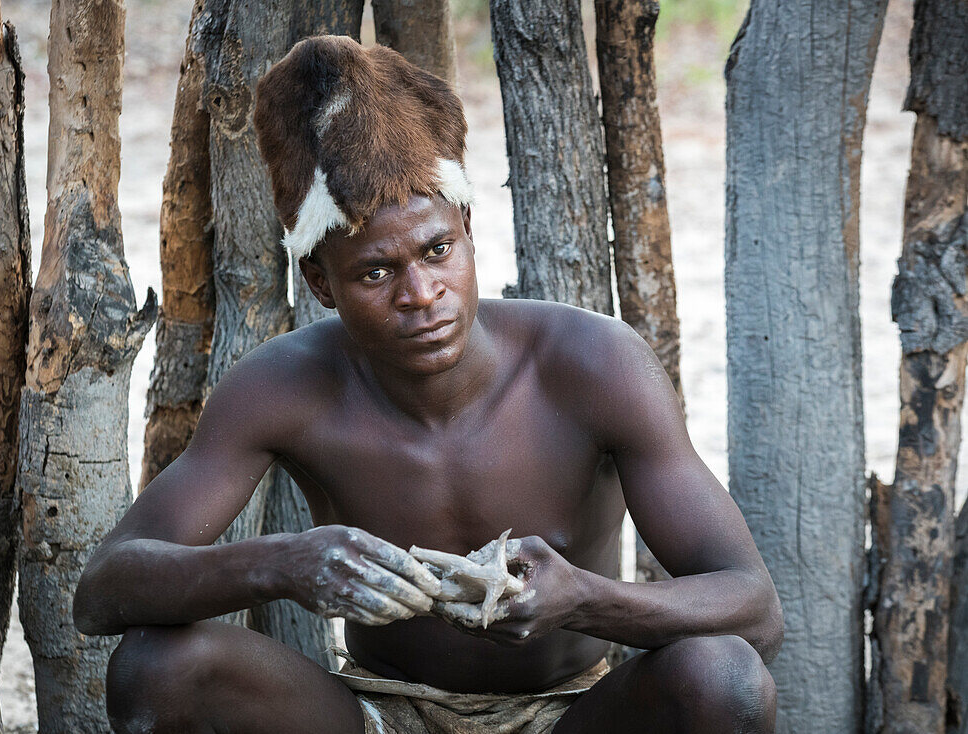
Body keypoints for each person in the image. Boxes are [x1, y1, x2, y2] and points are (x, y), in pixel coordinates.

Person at [73, 34, 783, 734]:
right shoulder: (282, 388)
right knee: (157, 669)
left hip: (573, 716)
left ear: (468, 229)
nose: (422, 294)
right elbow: (104, 591)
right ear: (321, 282)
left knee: (722, 677)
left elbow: (754, 609)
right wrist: (284, 563)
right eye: (376, 272)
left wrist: (584, 600)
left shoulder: (593, 364)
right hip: (378, 714)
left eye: (438, 251)